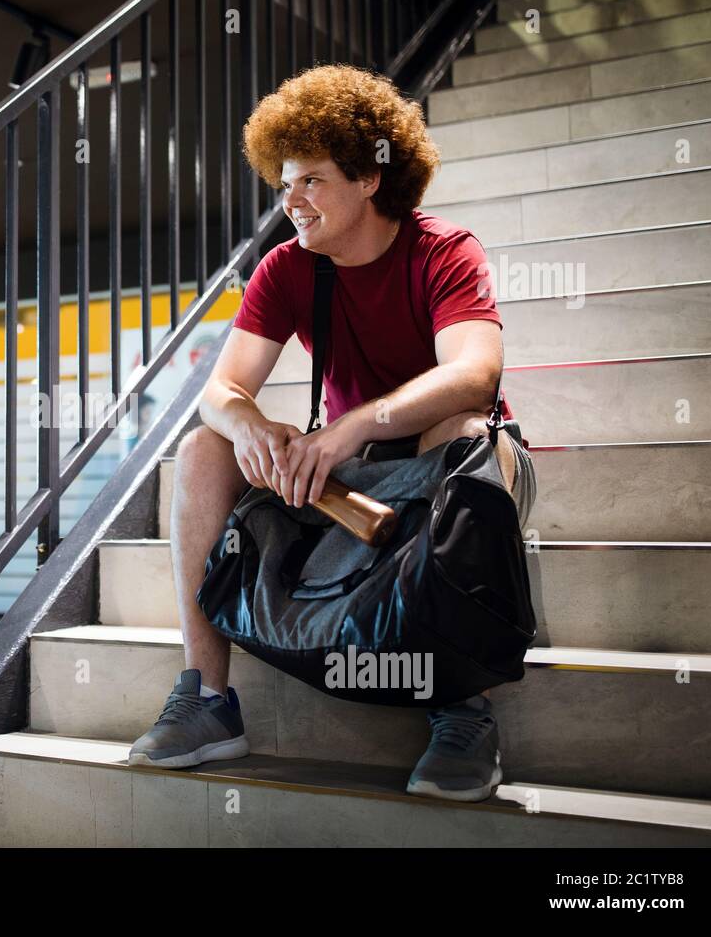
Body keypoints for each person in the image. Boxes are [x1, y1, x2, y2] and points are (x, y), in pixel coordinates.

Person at [127, 64, 537, 803]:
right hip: (351, 477)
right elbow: (220, 392)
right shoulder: (287, 269)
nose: (291, 203)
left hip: (450, 459)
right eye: (284, 184)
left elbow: (475, 375)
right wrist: (249, 426)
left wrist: (350, 427)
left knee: (462, 423)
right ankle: (208, 700)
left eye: (311, 181)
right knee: (201, 448)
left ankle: (460, 705)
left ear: (370, 178)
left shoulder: (445, 251)